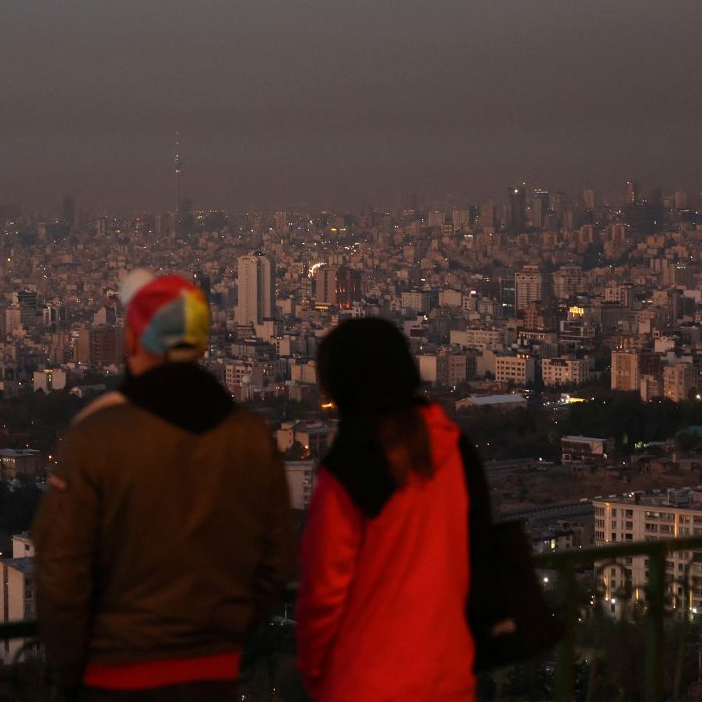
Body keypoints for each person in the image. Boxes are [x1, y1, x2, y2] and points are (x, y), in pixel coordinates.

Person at [33, 270, 295, 702]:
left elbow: (61, 573)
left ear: (132, 342)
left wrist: (70, 673)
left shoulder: (97, 436)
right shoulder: (251, 434)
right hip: (214, 674)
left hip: (116, 676)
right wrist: (228, 632)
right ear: (202, 343)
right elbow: (277, 559)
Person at [296, 317, 477, 701]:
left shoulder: (349, 472)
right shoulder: (453, 449)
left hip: (367, 683)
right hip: (448, 676)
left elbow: (323, 596)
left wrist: (315, 676)